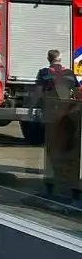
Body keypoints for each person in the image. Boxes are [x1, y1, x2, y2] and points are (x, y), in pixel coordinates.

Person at [33, 49, 81, 203]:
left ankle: (50, 188)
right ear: (60, 59)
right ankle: (74, 192)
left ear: (48, 59)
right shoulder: (70, 73)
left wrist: (32, 108)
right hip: (69, 117)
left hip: (52, 117)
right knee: (71, 152)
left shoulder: (44, 73)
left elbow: (38, 93)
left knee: (52, 151)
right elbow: (77, 93)